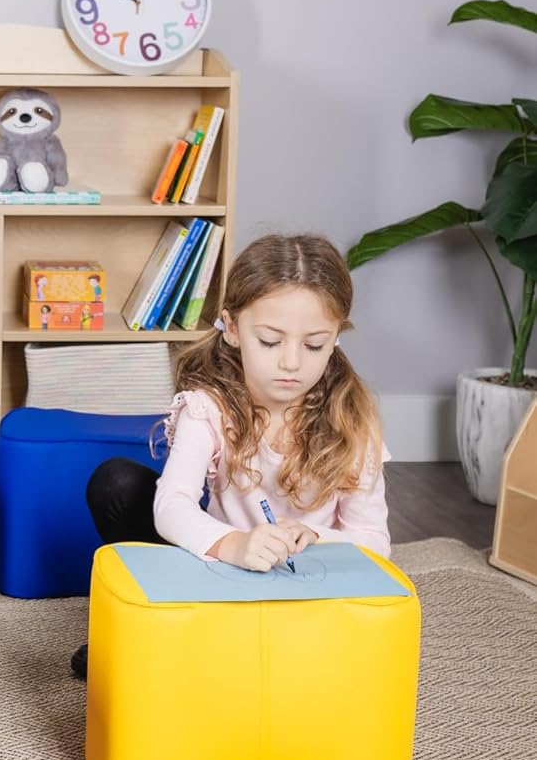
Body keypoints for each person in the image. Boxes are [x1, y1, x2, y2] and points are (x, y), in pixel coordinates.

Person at [72, 233, 390, 679]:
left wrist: (316, 536)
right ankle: (143, 624)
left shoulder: (354, 419)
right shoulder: (208, 407)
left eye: (315, 345)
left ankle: (191, 640)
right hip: (219, 573)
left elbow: (376, 543)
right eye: (271, 341)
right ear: (234, 329)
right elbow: (171, 506)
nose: (291, 363)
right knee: (117, 483)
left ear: (337, 337)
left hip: (308, 588)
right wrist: (234, 545)